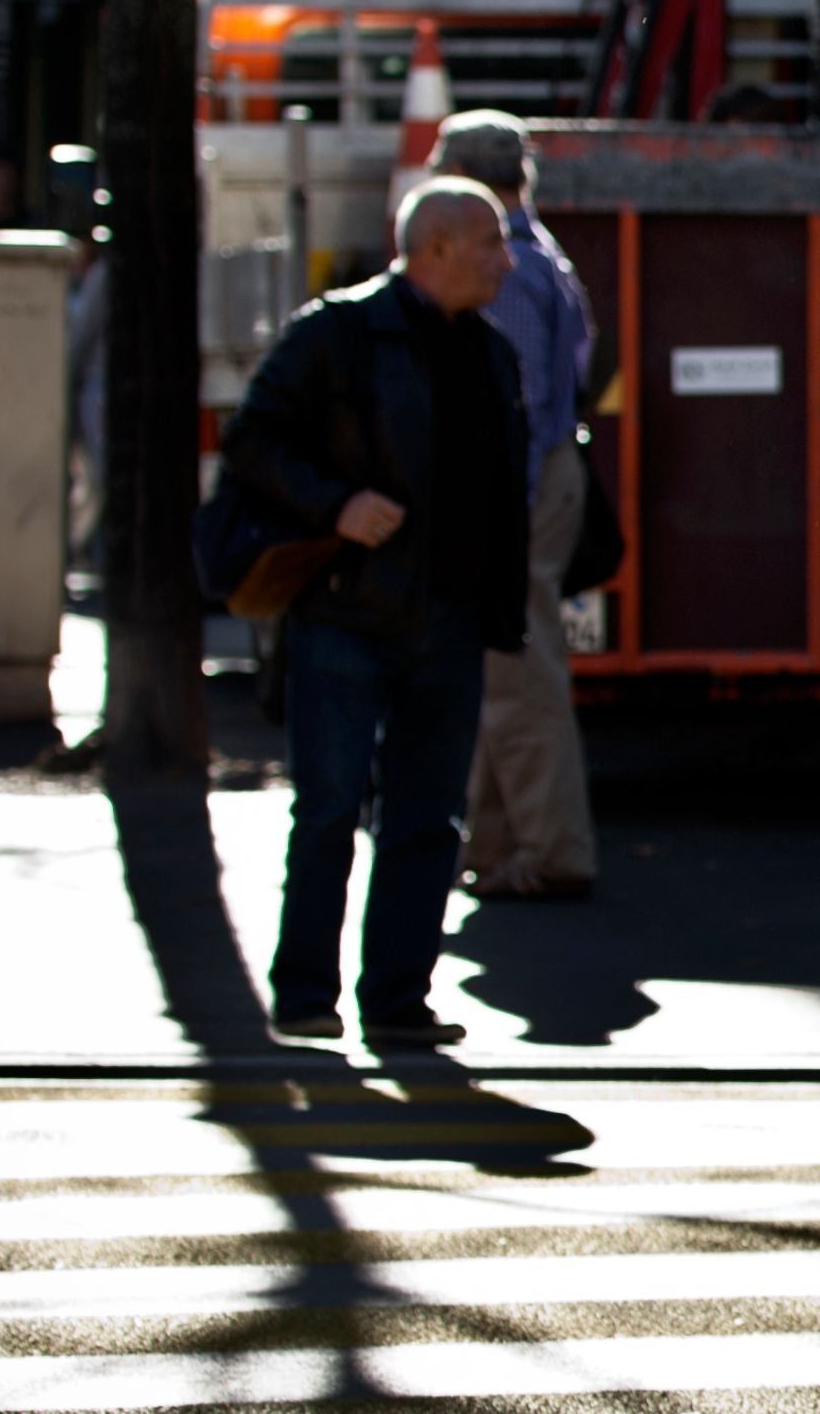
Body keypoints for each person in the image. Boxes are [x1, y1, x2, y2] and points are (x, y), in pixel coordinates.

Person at [221, 180, 531, 1048]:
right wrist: (336, 505)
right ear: (432, 247)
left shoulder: (491, 353)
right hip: (346, 614)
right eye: (490, 243)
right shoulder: (339, 334)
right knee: (328, 808)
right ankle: (306, 993)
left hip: (450, 621)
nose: (505, 261)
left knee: (428, 819)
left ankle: (397, 999)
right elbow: (253, 441)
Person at [433, 112, 601, 903]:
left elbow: (521, 403)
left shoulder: (511, 271)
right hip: (540, 474)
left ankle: (550, 847)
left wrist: (505, 504)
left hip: (522, 480)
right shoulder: (545, 258)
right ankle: (498, 842)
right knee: (506, 662)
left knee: (518, 665)